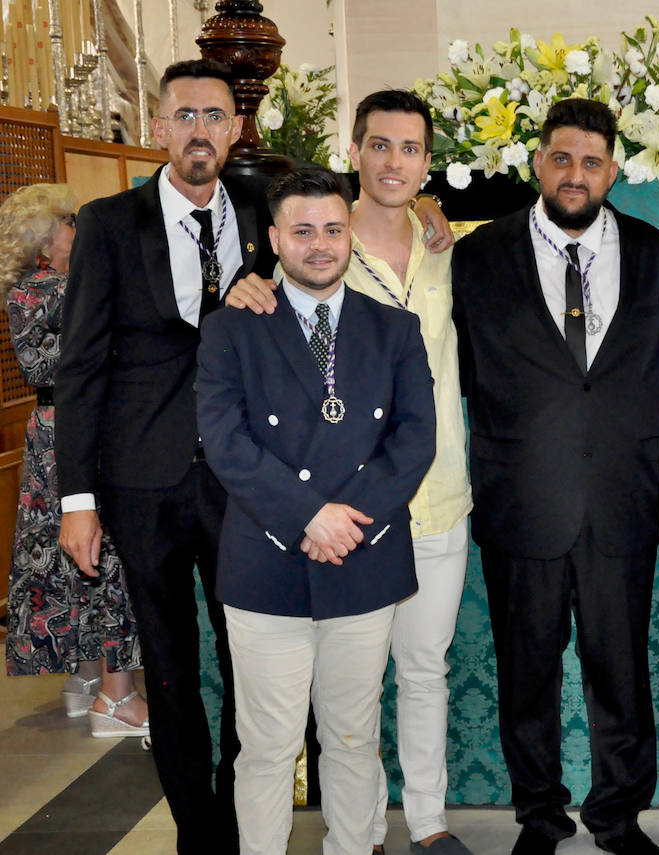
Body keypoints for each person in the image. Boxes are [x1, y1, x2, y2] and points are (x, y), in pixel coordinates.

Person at [230, 89, 474, 855]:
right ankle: (361, 833)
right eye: (380, 145)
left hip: (436, 495)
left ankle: (427, 823)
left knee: (424, 670)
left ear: (427, 162)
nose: (395, 161)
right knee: (348, 707)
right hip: (342, 515)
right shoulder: (310, 255)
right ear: (355, 152)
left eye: (411, 149)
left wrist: (432, 210)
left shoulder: (445, 247)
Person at [54, 58, 279, 853]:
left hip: (241, 482)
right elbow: (79, 367)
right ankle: (199, 832)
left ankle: (246, 815)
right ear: (157, 128)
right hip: (142, 482)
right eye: (185, 115)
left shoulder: (265, 214)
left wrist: (426, 208)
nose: (199, 131)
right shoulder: (110, 223)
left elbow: (349, 221)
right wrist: (76, 501)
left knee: (250, 660)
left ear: (236, 130)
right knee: (173, 668)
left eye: (214, 116)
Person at [450, 98, 659, 855]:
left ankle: (619, 816)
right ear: (536, 164)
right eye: (561, 158)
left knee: (622, 673)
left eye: (590, 162)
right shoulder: (478, 256)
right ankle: (539, 817)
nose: (574, 174)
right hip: (521, 499)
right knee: (526, 676)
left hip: (622, 498)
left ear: (612, 172)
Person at [196, 166, 436, 855]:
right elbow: (225, 442)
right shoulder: (231, 329)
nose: (320, 244)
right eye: (302, 231)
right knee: (268, 745)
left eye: (333, 229)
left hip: (363, 556)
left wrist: (344, 520)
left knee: (354, 737)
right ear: (274, 239)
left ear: (350, 234)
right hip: (266, 564)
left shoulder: (394, 328)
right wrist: (308, 516)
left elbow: (415, 439)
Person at [1, 184, 146, 739]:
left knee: (69, 563)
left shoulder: (27, 291)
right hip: (81, 431)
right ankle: (118, 695)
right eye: (67, 220)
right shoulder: (59, 289)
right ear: (43, 241)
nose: (78, 229)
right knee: (106, 554)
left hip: (49, 429)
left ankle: (85, 679)